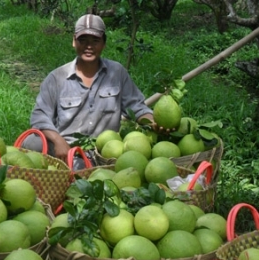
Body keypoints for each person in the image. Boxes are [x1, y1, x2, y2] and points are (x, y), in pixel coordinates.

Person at [22, 14, 167, 168]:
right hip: (67, 154)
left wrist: (152, 121)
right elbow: (39, 116)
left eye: (95, 41)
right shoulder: (57, 78)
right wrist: (58, 141)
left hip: (106, 155)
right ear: (73, 41)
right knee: (32, 142)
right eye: (82, 40)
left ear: (104, 43)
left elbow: (137, 107)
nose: (88, 46)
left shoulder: (117, 73)